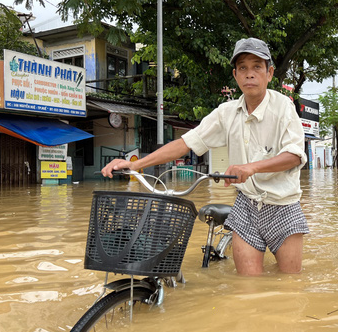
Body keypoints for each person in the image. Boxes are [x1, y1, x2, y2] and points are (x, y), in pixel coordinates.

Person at [101, 37, 308, 276]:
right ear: (235, 75)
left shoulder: (283, 107)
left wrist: (252, 167)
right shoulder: (226, 112)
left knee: (290, 284)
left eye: (257, 67)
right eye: (243, 68)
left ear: (269, 73)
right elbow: (185, 143)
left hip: (283, 205)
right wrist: (136, 164)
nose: (250, 74)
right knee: (250, 287)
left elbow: (294, 156)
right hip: (247, 205)